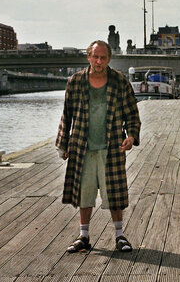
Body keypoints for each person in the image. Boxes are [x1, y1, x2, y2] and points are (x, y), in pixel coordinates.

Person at [56, 40, 141, 253]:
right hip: (81, 147)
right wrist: (63, 144)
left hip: (111, 147)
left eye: (103, 57)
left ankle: (120, 236)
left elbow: (132, 114)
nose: (99, 61)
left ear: (109, 59)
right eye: (95, 57)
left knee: (114, 192)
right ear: (88, 57)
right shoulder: (75, 82)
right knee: (84, 194)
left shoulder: (119, 82)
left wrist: (131, 136)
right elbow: (67, 115)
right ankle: (83, 236)